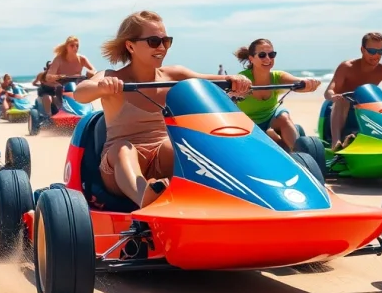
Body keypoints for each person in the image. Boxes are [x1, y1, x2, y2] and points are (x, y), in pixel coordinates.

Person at [74, 10, 251, 208]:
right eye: (154, 41)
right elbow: (80, 93)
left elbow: (215, 81)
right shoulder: (111, 76)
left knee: (181, 143)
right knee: (123, 148)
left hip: (161, 157)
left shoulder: (174, 74)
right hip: (118, 168)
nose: (162, 47)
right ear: (130, 45)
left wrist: (236, 80)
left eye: (166, 41)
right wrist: (101, 86)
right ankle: (144, 198)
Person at [323, 32, 382, 151]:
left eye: (380, 51)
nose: (376, 55)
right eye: (372, 51)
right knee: (343, 102)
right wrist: (333, 96)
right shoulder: (347, 67)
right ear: (362, 50)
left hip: (366, 109)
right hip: (343, 111)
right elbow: (328, 91)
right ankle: (336, 142)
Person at [232, 39, 320, 151]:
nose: (268, 59)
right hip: (249, 124)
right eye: (262, 55)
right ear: (251, 58)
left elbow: (297, 82)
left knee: (284, 117)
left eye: (272, 54)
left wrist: (308, 83)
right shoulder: (242, 79)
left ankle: (299, 154)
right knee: (273, 140)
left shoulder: (278, 76)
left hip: (272, 118)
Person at [41, 36, 97, 115]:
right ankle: (55, 114)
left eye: (77, 46)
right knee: (57, 92)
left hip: (77, 86)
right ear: (66, 47)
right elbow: (48, 76)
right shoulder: (59, 59)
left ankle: (86, 112)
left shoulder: (82, 59)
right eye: (72, 45)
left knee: (86, 91)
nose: (75, 48)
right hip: (62, 87)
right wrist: (59, 76)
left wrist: (91, 72)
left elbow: (94, 71)